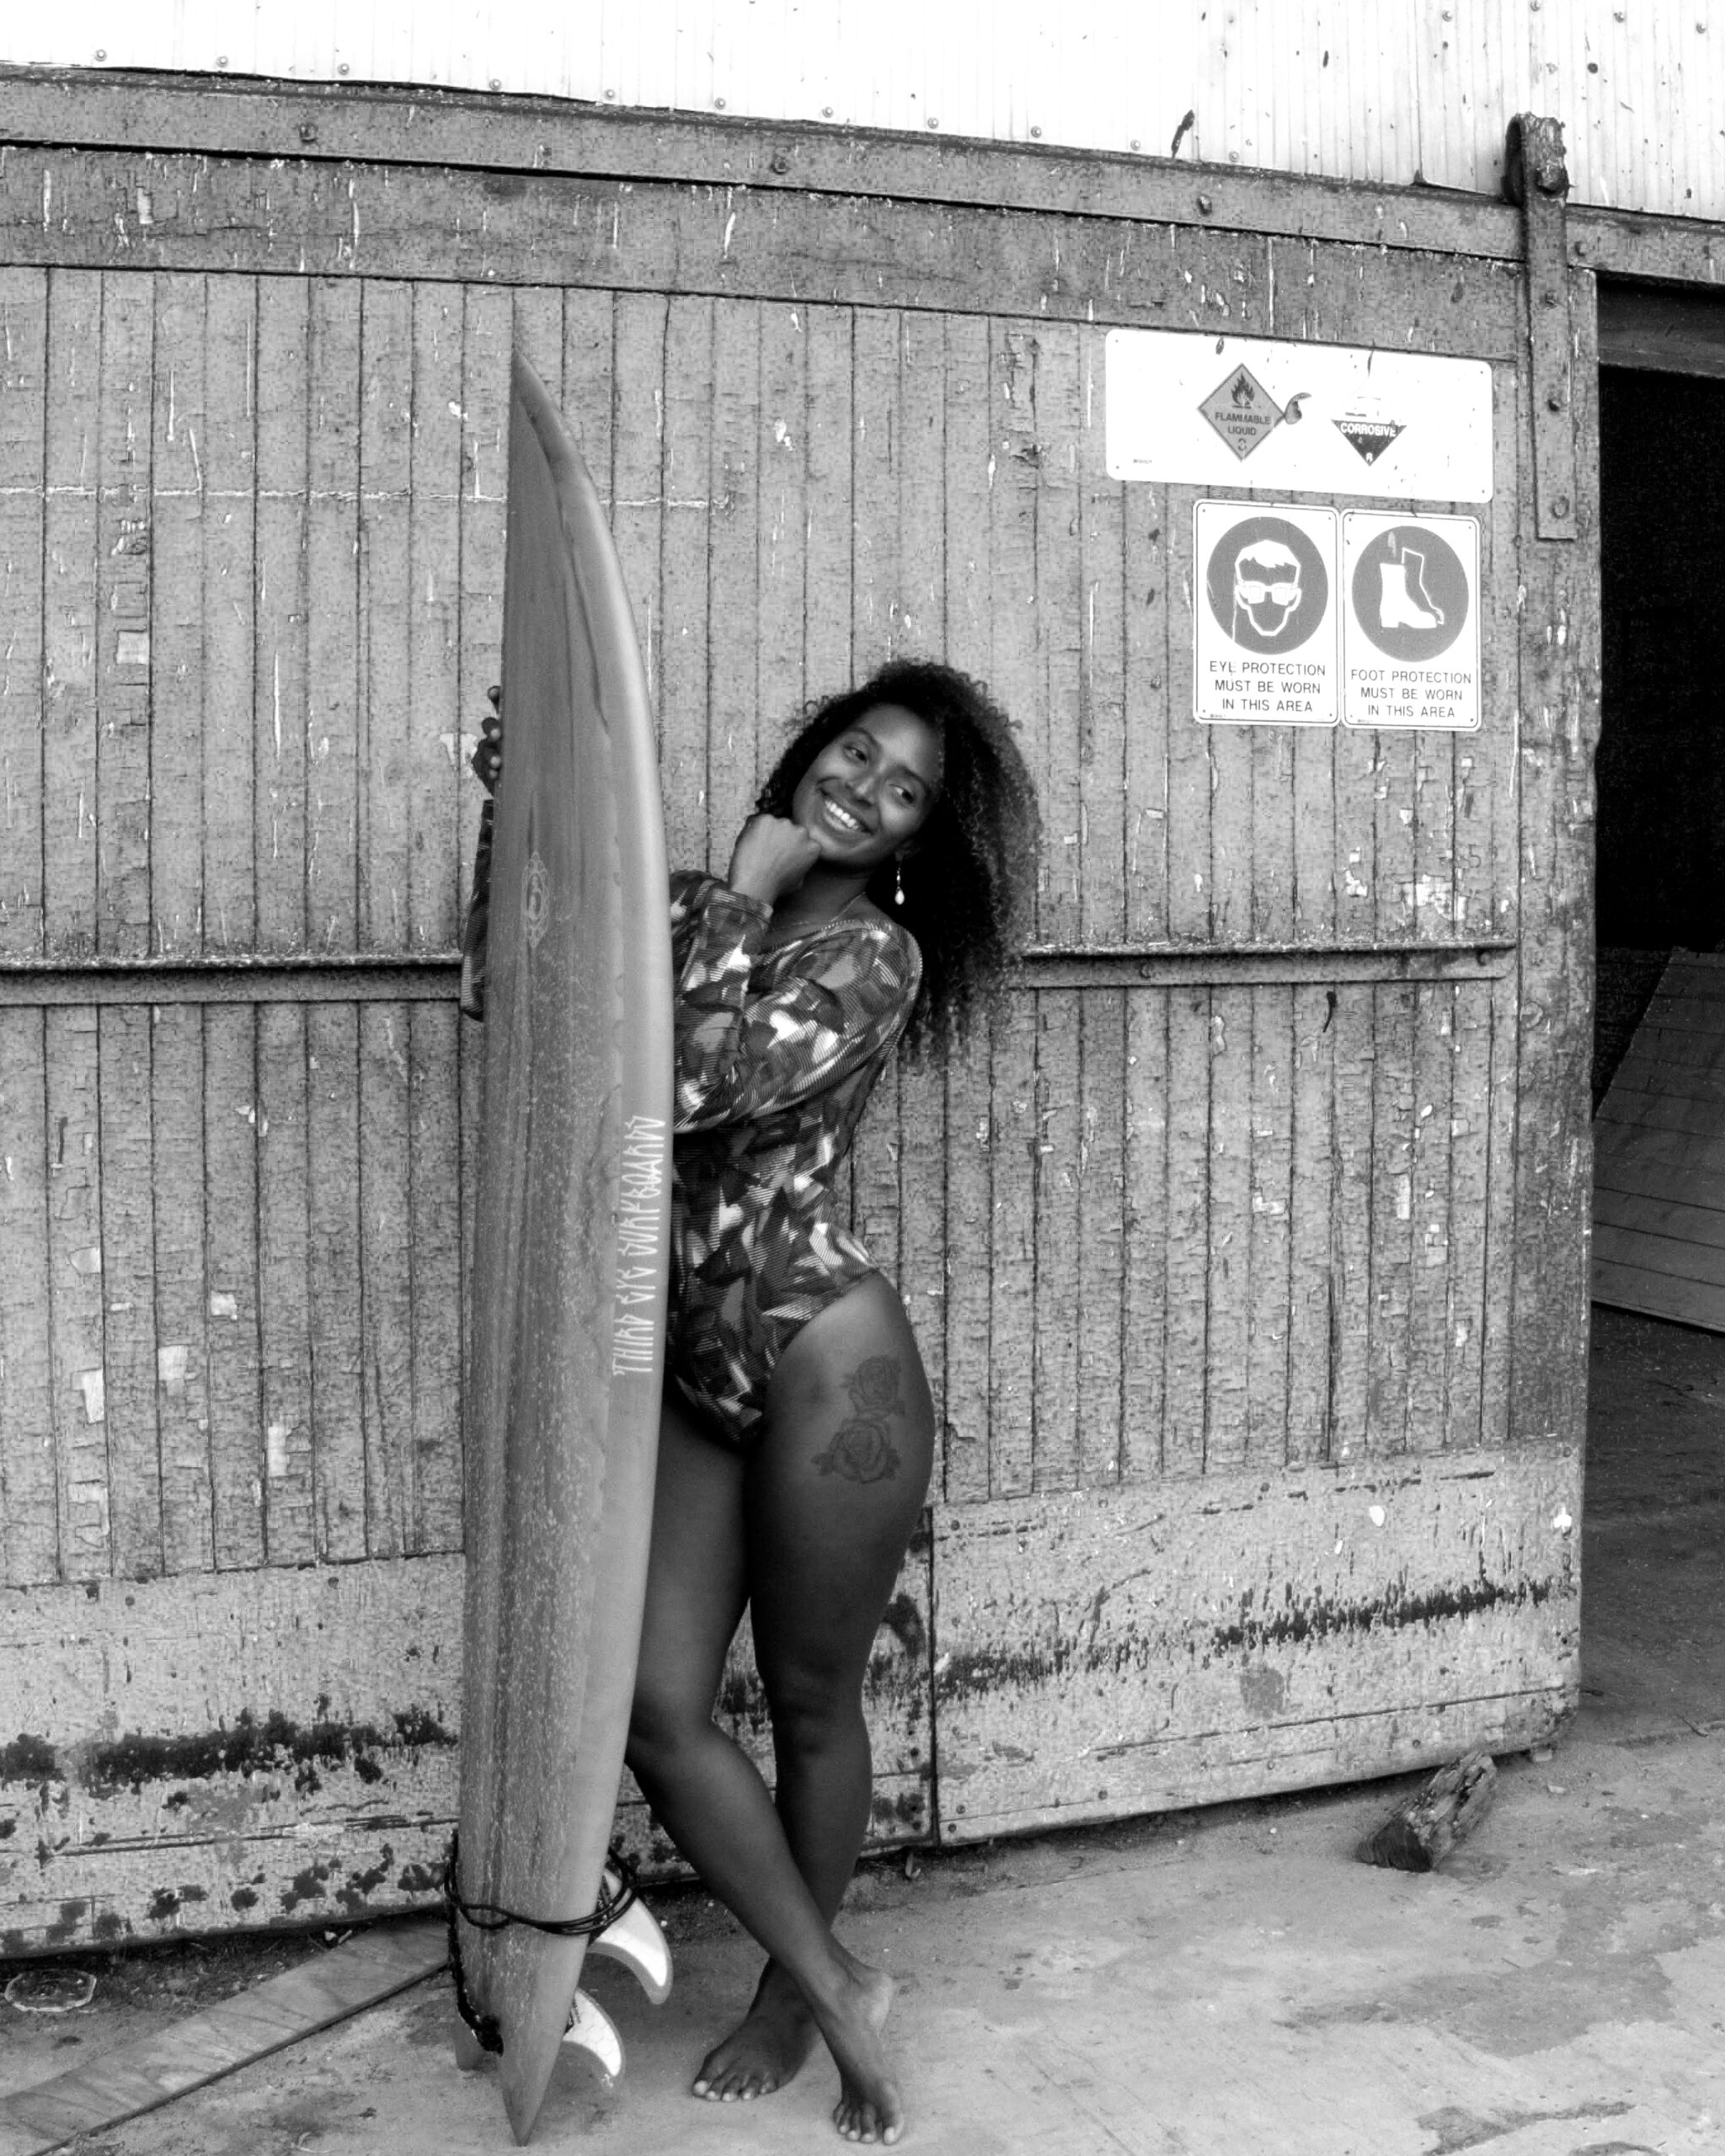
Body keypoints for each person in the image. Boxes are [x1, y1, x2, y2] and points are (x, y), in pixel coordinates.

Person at [468, 659, 1039, 2145]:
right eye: (857, 752)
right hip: (692, 1365)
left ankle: (798, 1999)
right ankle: (842, 1974)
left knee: (807, 1699)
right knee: (660, 1707)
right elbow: (516, 1005)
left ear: (914, 841)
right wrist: (509, 822)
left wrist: (735, 884)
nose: (863, 785)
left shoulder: (869, 958)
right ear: (814, 748)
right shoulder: (698, 906)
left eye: (903, 789)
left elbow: (695, 1086)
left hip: (823, 1362)